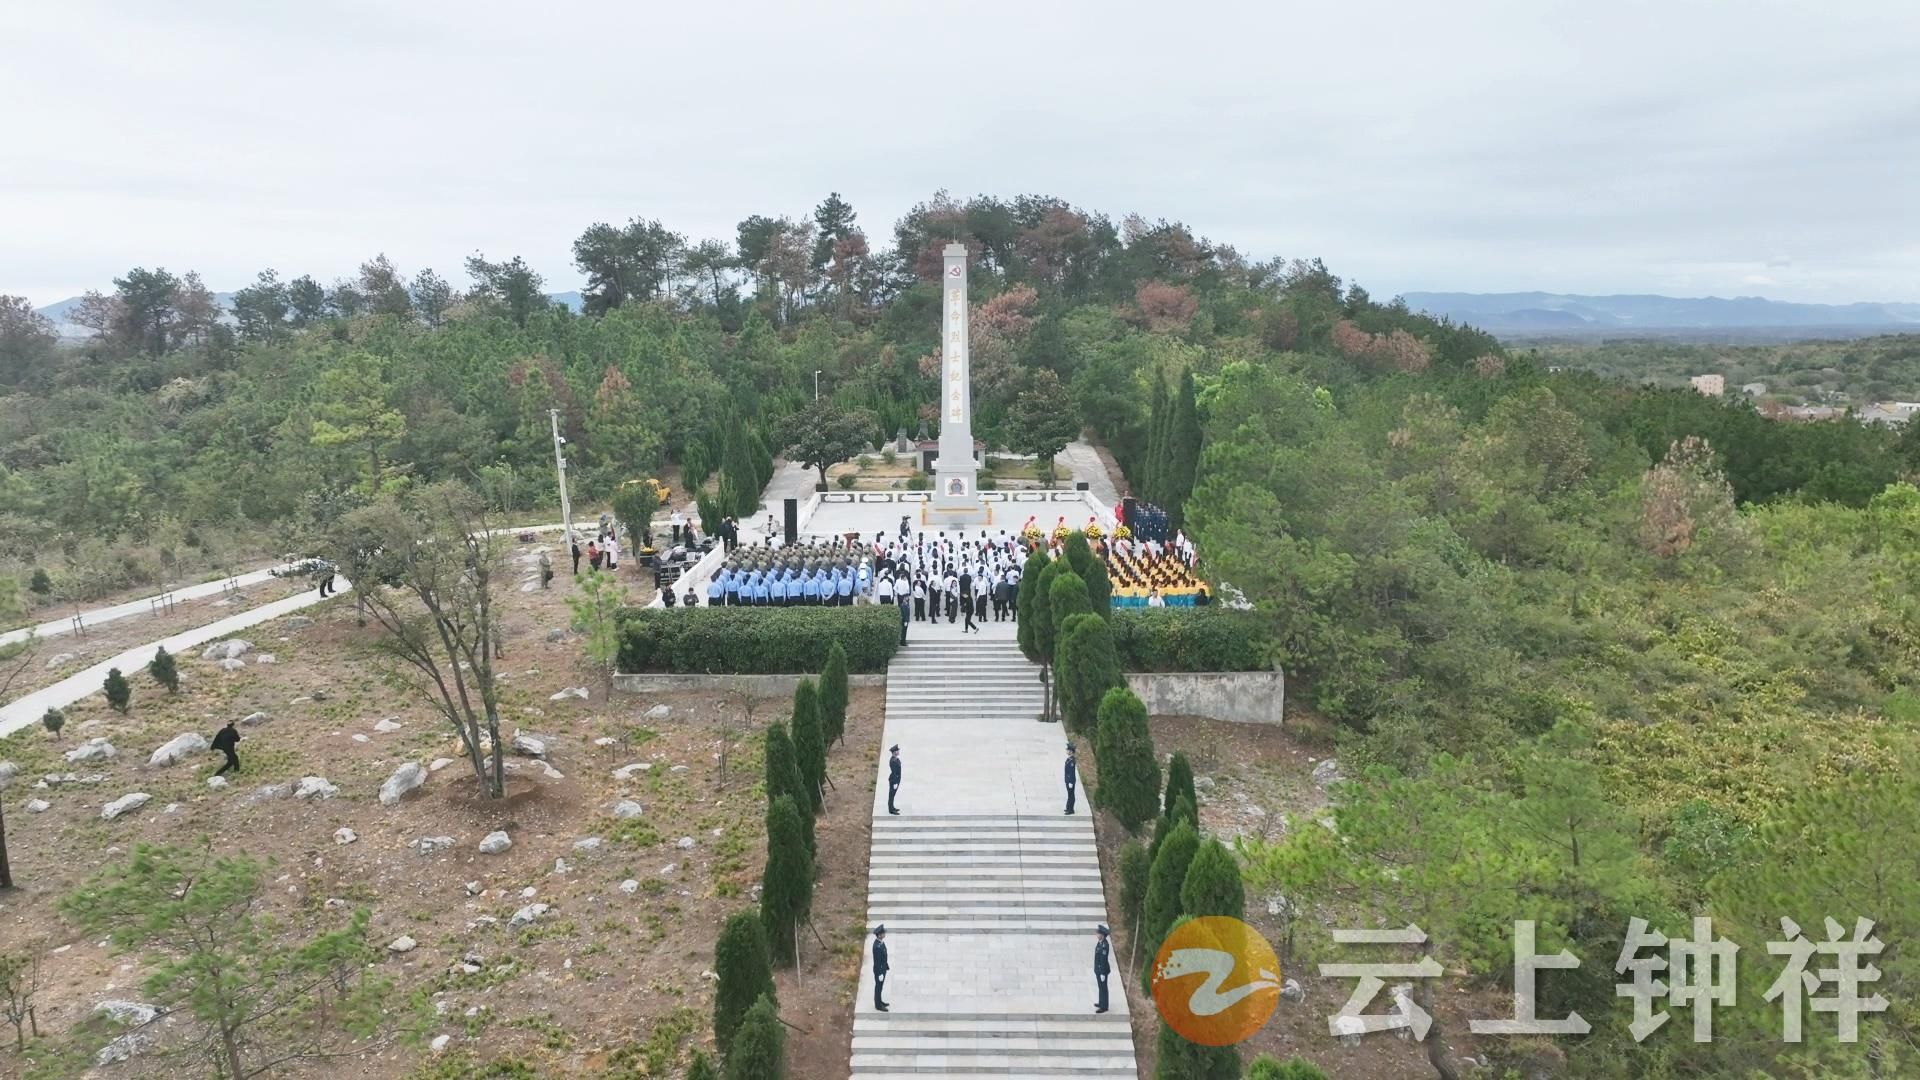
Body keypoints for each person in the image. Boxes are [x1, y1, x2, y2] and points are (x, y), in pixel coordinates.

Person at [872, 925, 891, 1011]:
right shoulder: (877, 946)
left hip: (883, 969)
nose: (884, 934)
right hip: (879, 970)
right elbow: (877, 962)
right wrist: (880, 973)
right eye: (883, 933)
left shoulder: (880, 943)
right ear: (879, 935)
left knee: (880, 987)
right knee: (878, 987)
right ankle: (878, 1005)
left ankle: (880, 1001)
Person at [1094, 925, 1111, 1013]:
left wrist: (1103, 973)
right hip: (1098, 970)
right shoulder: (1100, 942)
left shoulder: (1104, 946)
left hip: (1102, 970)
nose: (1097, 934)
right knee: (1100, 987)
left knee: (1103, 987)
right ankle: (1101, 1002)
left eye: (1098, 933)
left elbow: (1103, 960)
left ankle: (1104, 1006)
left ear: (1102, 935)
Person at [886, 744, 902, 815]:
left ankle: (892, 807)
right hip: (894, 780)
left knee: (893, 794)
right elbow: (894, 772)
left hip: (896, 779)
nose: (898, 751)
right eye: (897, 750)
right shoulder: (893, 761)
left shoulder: (896, 759)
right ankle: (891, 809)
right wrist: (895, 782)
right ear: (894, 752)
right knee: (891, 795)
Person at [1064, 743, 1077, 815]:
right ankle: (1068, 807)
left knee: (1071, 794)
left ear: (1071, 751)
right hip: (1068, 780)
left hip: (1070, 781)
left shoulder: (1072, 761)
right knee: (1069, 794)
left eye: (1068, 749)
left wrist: (1071, 782)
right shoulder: (1069, 759)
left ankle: (1071, 809)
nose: (1066, 750)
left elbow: (1071, 772)